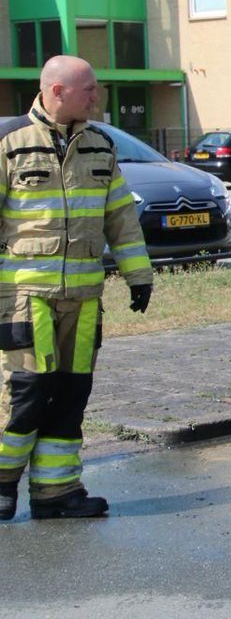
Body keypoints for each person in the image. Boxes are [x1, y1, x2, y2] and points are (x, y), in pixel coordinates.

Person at [0, 55, 153, 521]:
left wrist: (138, 275)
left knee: (70, 396)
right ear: (57, 91)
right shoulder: (10, 143)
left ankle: (56, 494)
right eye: (89, 89)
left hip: (85, 299)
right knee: (23, 396)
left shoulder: (100, 145)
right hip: (26, 298)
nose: (98, 96)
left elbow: (121, 218)